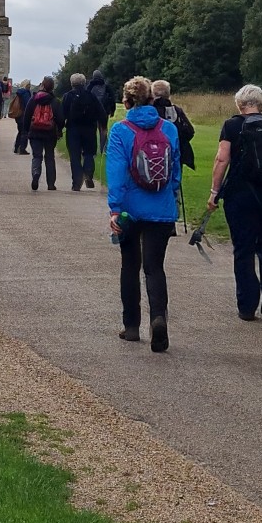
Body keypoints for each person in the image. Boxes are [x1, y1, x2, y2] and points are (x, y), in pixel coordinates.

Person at [207, 84, 262, 320]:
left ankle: (247, 305)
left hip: (240, 194)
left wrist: (214, 191)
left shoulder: (232, 125)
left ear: (240, 104)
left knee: (243, 248)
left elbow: (221, 158)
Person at [107, 75, 181, 353]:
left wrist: (115, 209)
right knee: (154, 267)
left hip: (130, 208)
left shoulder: (121, 130)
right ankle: (158, 318)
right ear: (152, 99)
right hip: (161, 207)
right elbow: (175, 169)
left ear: (126, 102)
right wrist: (170, 192)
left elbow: (116, 173)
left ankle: (131, 326)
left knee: (130, 265)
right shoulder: (169, 129)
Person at [22, 76, 64, 191]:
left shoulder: (33, 99)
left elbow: (26, 116)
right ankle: (51, 184)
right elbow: (60, 119)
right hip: (50, 133)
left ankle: (36, 173)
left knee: (37, 156)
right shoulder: (55, 101)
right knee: (50, 157)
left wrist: (26, 131)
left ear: (42, 86)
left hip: (35, 132)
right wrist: (59, 130)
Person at [62, 73, 100, 190]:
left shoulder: (68, 96)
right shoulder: (91, 96)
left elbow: (62, 114)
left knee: (75, 156)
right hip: (89, 129)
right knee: (89, 153)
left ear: (72, 83)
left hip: (73, 129)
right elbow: (100, 112)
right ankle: (88, 173)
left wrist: (59, 128)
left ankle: (76, 183)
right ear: (84, 83)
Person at [151, 79, 195, 172]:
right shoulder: (176, 110)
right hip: (175, 155)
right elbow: (190, 131)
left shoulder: (150, 110)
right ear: (168, 93)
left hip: (152, 154)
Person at [87, 69, 116, 154]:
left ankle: (93, 151)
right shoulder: (106, 86)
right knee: (103, 130)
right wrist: (112, 110)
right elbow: (112, 99)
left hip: (92, 112)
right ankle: (103, 150)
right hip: (104, 111)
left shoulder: (90, 86)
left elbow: (86, 98)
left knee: (93, 130)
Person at [10, 78, 32, 154]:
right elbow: (27, 104)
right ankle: (22, 148)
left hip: (18, 115)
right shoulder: (26, 93)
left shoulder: (19, 93)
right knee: (24, 132)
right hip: (24, 115)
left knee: (20, 132)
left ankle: (16, 147)